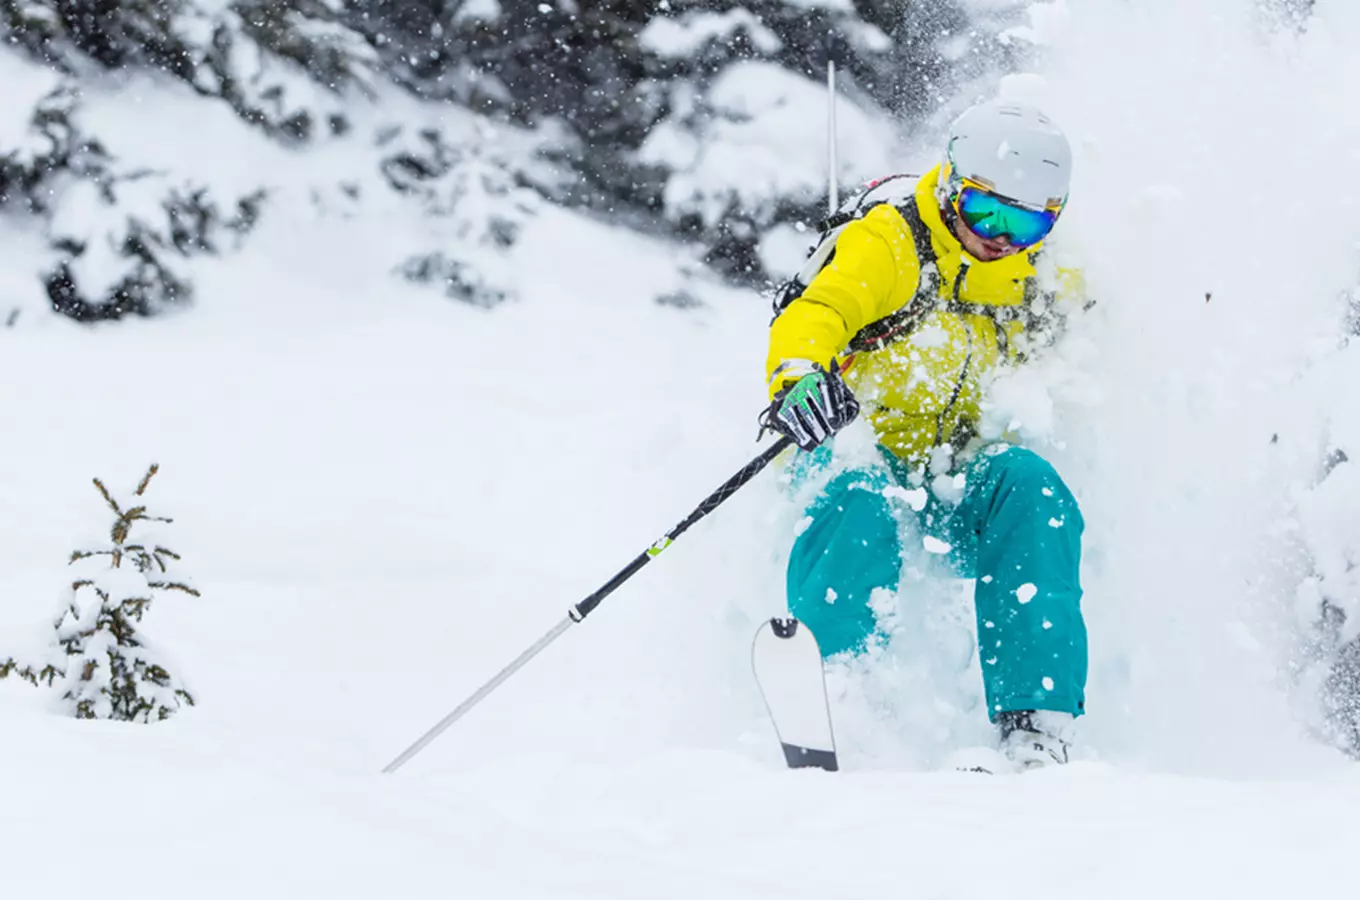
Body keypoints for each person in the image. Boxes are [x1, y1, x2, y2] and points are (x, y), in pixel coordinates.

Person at [760, 99, 1089, 769]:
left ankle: (1036, 723)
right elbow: (818, 312)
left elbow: (1097, 340)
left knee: (1033, 487)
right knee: (860, 497)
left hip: (952, 476)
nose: (1000, 237)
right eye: (986, 212)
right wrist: (797, 379)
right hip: (850, 448)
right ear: (950, 184)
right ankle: (836, 694)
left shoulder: (1037, 276)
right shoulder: (887, 243)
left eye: (1028, 223)